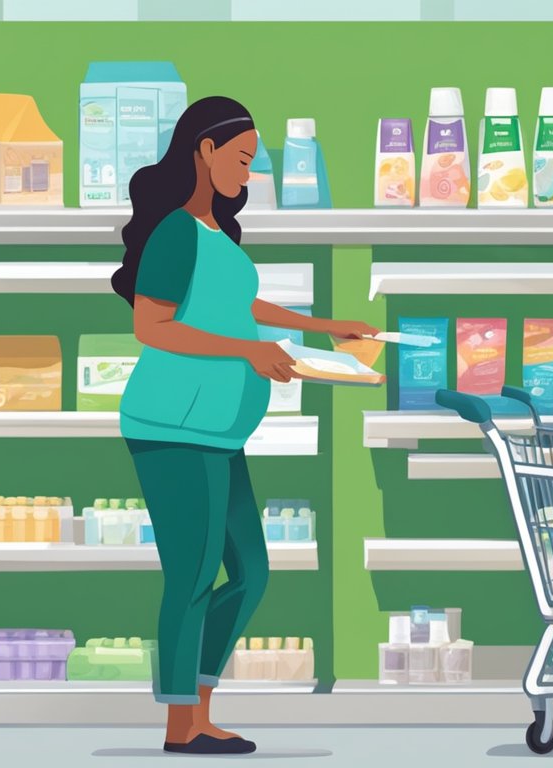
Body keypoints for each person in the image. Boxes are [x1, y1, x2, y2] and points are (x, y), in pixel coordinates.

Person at [111, 96, 375, 755]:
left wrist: (323, 328)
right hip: (173, 426)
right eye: (240, 159)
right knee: (194, 576)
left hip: (220, 431)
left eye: (252, 163)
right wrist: (250, 350)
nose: (247, 174)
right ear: (203, 150)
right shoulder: (174, 231)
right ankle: (181, 725)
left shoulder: (217, 236)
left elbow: (240, 303)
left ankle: (197, 708)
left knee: (251, 573)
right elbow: (152, 324)